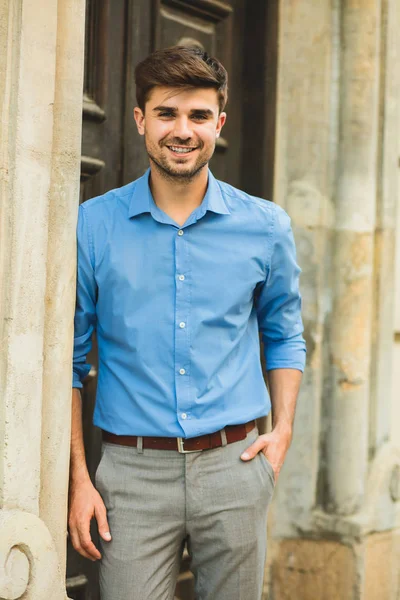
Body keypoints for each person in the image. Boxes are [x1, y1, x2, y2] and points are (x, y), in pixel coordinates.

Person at [68, 46, 306, 600]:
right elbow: (69, 361)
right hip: (129, 474)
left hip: (236, 466)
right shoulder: (94, 225)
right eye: (167, 113)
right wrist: (79, 478)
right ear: (139, 120)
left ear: (219, 124)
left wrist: (283, 432)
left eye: (198, 116)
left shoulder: (265, 226)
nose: (183, 130)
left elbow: (284, 333)